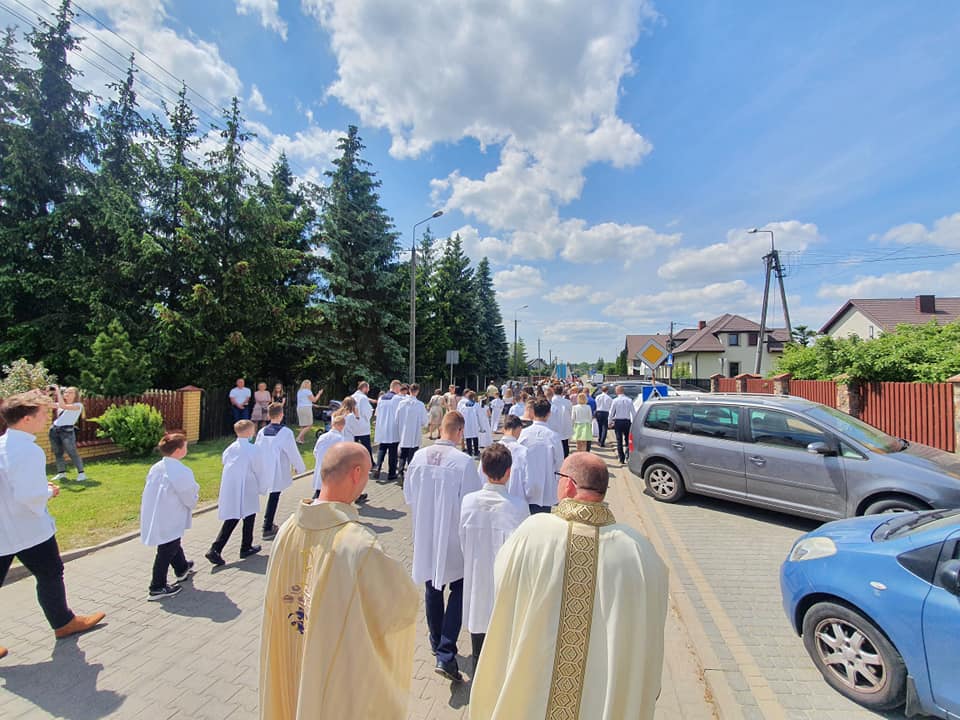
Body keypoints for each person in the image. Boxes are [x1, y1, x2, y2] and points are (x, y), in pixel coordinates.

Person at [470, 452, 669, 720]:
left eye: (559, 477)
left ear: (569, 485)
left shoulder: (533, 533)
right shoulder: (639, 551)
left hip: (535, 689)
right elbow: (653, 620)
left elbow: (503, 584)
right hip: (606, 698)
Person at [259, 443, 419, 720]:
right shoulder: (359, 545)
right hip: (333, 673)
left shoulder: (286, 530)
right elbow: (402, 606)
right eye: (367, 473)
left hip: (289, 658)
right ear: (356, 474)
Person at [0, 391, 105, 659]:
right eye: (42, 414)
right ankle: (63, 622)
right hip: (29, 528)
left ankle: (63, 621)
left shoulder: (3, 444)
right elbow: (28, 495)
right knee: (50, 573)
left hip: (4, 528)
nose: (46, 418)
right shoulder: (28, 451)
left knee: (47, 574)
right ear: (26, 419)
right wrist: (49, 491)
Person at [403, 411, 483, 682]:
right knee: (460, 588)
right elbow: (471, 504)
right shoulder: (463, 462)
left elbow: (408, 495)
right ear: (460, 432)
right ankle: (446, 651)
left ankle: (437, 642)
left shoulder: (418, 457)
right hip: (453, 535)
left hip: (426, 532)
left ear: (440, 429)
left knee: (432, 588)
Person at [459, 444, 528, 669]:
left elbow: (462, 538)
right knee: (503, 641)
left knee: (478, 636)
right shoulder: (518, 507)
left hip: (476, 574)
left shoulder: (468, 501)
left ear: (482, 470)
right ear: (509, 472)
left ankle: (477, 675)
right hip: (506, 581)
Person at [141, 432, 199, 600]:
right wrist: (193, 502)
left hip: (157, 512)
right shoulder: (181, 471)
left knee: (172, 541)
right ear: (178, 451)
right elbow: (188, 494)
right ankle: (157, 586)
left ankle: (182, 568)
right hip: (171, 513)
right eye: (185, 446)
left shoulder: (157, 467)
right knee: (167, 548)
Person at [206, 420, 265, 566]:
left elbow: (224, 461)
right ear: (249, 432)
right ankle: (244, 547)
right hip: (247, 485)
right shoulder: (253, 449)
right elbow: (258, 468)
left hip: (232, 486)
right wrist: (262, 486)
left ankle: (217, 548)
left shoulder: (231, 448)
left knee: (235, 516)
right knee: (248, 515)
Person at [257, 403, 307, 540]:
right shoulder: (286, 432)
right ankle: (267, 526)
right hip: (277, 468)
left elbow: (257, 450)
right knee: (274, 495)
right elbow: (292, 451)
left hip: (265, 467)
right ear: (281, 415)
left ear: (269, 415)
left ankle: (268, 524)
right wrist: (300, 467)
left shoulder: (262, 432)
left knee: (273, 494)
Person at [518, 398, 563, 514]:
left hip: (524, 483)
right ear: (549, 414)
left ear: (533, 412)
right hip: (546, 485)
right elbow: (559, 463)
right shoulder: (554, 436)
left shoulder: (523, 434)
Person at [49, 385, 87, 482]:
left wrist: (57, 391)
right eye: (66, 392)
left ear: (76, 395)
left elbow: (63, 406)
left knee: (72, 452)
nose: (67, 394)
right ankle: (61, 473)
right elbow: (48, 404)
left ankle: (81, 474)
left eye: (70, 392)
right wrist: (45, 393)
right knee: (58, 453)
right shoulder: (61, 405)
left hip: (67, 431)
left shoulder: (78, 405)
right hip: (55, 430)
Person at [396, 383, 428, 480]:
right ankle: (410, 474)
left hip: (404, 432)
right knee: (412, 454)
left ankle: (400, 473)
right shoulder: (420, 405)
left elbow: (396, 418)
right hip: (414, 433)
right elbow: (424, 421)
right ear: (417, 391)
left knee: (403, 454)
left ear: (409, 390)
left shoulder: (401, 403)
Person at [311, 414, 346, 499]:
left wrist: (320, 460)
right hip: (332, 468)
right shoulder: (340, 438)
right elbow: (341, 455)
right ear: (342, 426)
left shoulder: (322, 436)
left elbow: (315, 451)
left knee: (319, 490)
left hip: (321, 465)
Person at [372, 379, 402, 481]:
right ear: (396, 387)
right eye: (399, 388)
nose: (399, 390)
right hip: (392, 428)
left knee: (382, 448)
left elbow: (377, 413)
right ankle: (392, 473)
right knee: (392, 451)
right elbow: (399, 413)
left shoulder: (381, 398)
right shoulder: (397, 398)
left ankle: (378, 466)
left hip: (382, 427)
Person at [498, 415, 530, 503]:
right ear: (519, 429)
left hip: (494, 501)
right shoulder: (523, 451)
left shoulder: (491, 449)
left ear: (504, 428)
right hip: (517, 501)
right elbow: (529, 482)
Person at [609, 385, 635, 465]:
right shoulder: (629, 400)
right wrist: (634, 422)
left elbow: (611, 412)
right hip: (627, 421)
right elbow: (633, 412)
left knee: (619, 440)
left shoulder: (615, 400)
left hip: (618, 421)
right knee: (628, 440)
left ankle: (621, 458)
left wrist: (609, 422)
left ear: (618, 391)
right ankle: (628, 454)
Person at [351, 381, 376, 462]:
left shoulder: (352, 396)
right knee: (366, 446)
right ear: (364, 388)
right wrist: (371, 411)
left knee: (353, 446)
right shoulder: (363, 398)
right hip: (362, 426)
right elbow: (366, 412)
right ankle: (370, 462)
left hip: (353, 425)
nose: (368, 390)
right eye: (368, 388)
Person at [295, 380, 324, 444]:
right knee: (309, 425)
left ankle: (301, 440)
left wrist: (312, 405)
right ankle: (298, 438)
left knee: (303, 425)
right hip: (306, 409)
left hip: (299, 408)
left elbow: (304, 401)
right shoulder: (308, 391)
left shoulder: (299, 391)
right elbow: (314, 400)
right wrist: (319, 393)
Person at [551, 384, 573, 457]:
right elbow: (571, 413)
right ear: (562, 392)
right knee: (565, 444)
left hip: (553, 426)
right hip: (564, 426)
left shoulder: (551, 401)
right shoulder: (567, 402)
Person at [461, 390, 484, 457]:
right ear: (474, 397)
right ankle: (476, 451)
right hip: (474, 423)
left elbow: (461, 416)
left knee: (468, 438)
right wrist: (481, 427)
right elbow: (480, 416)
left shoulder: (463, 406)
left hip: (467, 424)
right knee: (475, 437)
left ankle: (470, 452)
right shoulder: (476, 405)